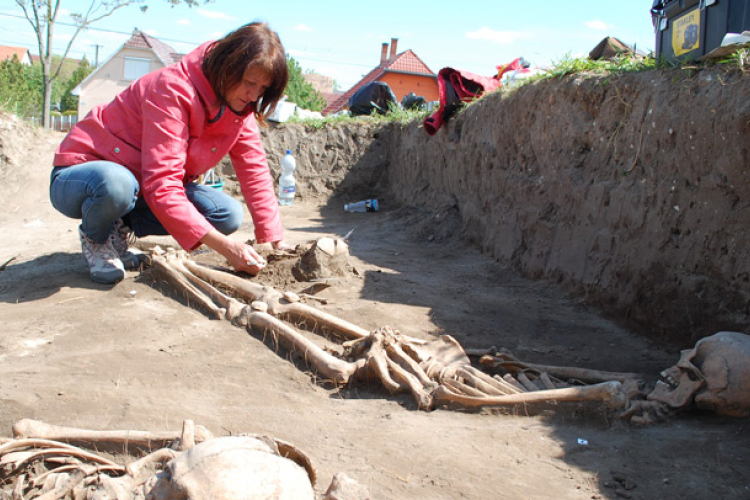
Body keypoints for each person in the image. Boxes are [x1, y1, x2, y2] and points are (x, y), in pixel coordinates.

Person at [50, 22, 291, 284]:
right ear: (228, 66)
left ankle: (119, 228)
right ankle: (95, 237)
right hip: (81, 176)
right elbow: (163, 185)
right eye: (249, 82)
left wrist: (273, 239)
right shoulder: (172, 89)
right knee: (117, 183)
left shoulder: (238, 108)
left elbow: (254, 170)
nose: (253, 94)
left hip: (139, 187)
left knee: (226, 214)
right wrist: (226, 248)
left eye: (263, 88)